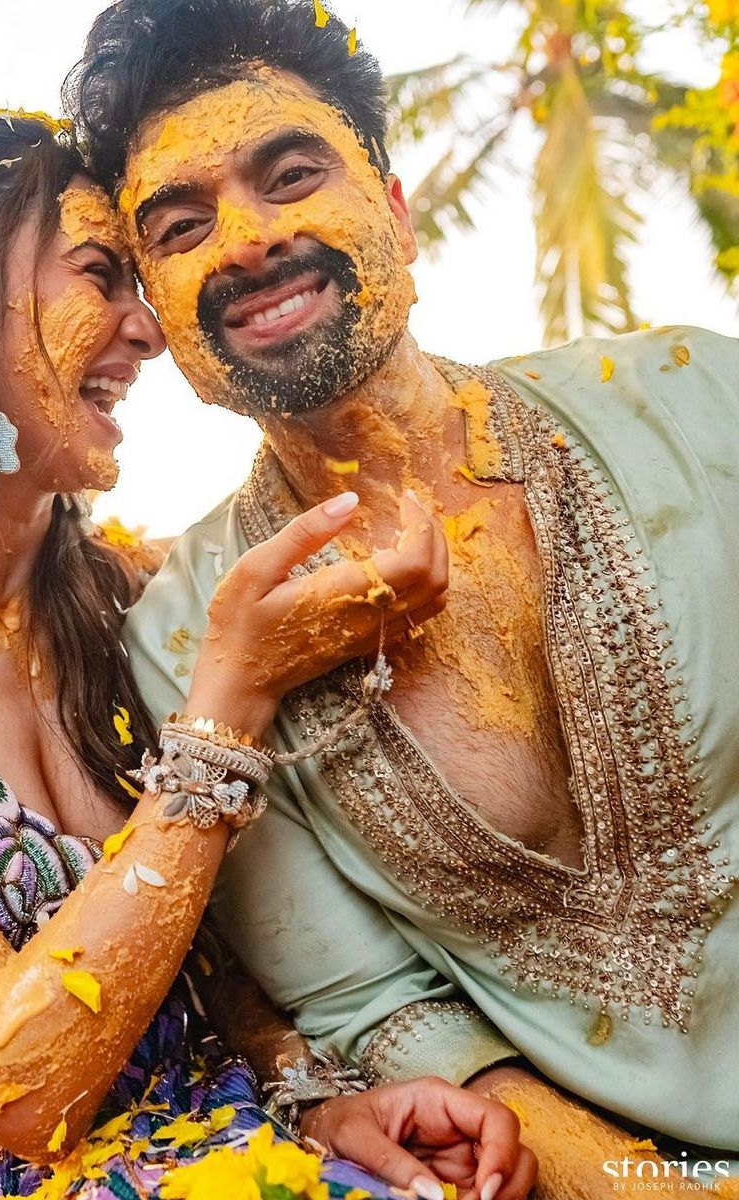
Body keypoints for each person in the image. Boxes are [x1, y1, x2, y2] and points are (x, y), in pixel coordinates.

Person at [0, 109, 535, 1200]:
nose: (148, 326)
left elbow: (211, 972)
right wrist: (227, 711)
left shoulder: (136, 605)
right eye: (99, 273)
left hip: (216, 1141)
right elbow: (15, 1087)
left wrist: (317, 1098)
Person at [68, 0, 739, 1192]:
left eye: (290, 174)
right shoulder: (186, 644)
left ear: (393, 209)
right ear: (160, 316)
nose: (245, 239)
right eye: (180, 226)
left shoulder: (696, 400)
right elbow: (379, 1008)